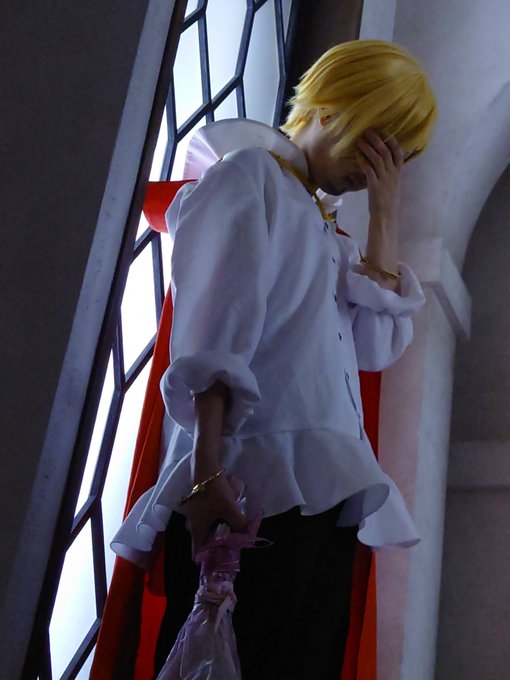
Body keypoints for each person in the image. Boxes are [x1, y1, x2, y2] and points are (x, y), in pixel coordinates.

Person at [111, 39, 436, 679]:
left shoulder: (326, 232)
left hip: (319, 495)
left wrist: (386, 213)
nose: (376, 169)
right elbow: (213, 335)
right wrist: (206, 474)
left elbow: (375, 350)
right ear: (333, 109)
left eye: (397, 156)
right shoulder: (249, 177)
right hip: (244, 486)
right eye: (375, 144)